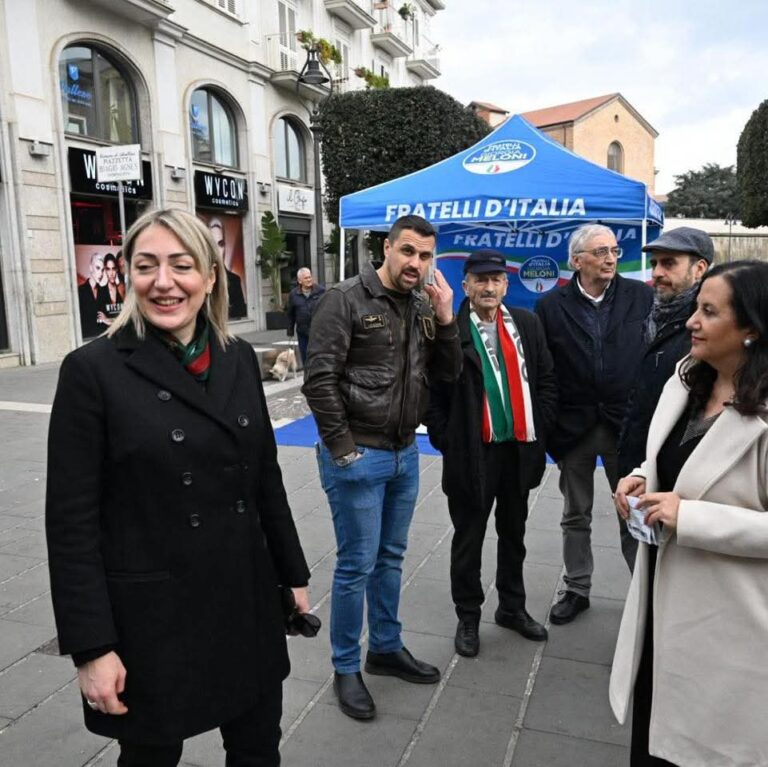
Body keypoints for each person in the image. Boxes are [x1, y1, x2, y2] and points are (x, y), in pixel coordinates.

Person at [46, 208, 311, 766]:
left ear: (211, 277)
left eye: (181, 265)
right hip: (152, 618)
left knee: (258, 748)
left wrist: (293, 575)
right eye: (146, 266)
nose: (163, 282)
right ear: (128, 276)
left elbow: (264, 475)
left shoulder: (237, 357)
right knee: (150, 759)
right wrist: (93, 647)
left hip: (245, 599)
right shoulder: (92, 371)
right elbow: (70, 525)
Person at [302, 214, 461, 720]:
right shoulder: (345, 298)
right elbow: (319, 379)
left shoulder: (420, 305)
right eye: (409, 251)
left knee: (390, 557)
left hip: (403, 455)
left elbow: (449, 374)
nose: (417, 263)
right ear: (387, 249)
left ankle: (385, 648)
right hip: (360, 454)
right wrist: (343, 450)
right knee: (356, 565)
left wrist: (447, 316)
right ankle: (345, 667)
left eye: (426, 255)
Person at [610, 260, 768, 766]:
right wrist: (642, 475)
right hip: (663, 607)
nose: (691, 322)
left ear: (751, 330)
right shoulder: (686, 383)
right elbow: (675, 461)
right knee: (655, 733)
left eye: (708, 311)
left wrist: (692, 518)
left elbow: (696, 503)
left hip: (729, 628)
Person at [425, 249, 557, 657]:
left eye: (496, 279)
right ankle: (468, 615)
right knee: (469, 537)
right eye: (480, 280)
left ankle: (512, 608)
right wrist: (448, 438)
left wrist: (541, 429)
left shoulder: (527, 324)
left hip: (517, 450)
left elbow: (547, 380)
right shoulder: (448, 327)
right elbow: (432, 394)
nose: (489, 287)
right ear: (465, 285)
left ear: (506, 283)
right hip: (471, 453)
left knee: (514, 535)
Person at [535, 224, 652, 625]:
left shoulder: (641, 296)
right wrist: (551, 427)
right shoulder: (551, 306)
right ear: (577, 260)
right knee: (575, 513)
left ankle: (644, 594)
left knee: (633, 510)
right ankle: (577, 588)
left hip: (627, 424)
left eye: (614, 251)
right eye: (599, 251)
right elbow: (544, 371)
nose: (609, 258)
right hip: (575, 427)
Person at [617, 228, 713, 485]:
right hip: (636, 468)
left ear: (699, 268)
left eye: (669, 263)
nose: (657, 272)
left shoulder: (709, 329)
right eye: (655, 263)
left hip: (677, 480)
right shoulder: (649, 313)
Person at [207, 216, 247, 319]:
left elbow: (239, 312)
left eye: (220, 244)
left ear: (225, 247)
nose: (217, 250)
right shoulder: (198, 279)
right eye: (212, 244)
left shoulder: (234, 280)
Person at [286, 267, 325, 366]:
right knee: (306, 358)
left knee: (319, 358)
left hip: (319, 332)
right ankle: (308, 378)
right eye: (306, 278)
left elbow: (328, 310)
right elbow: (290, 314)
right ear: (299, 281)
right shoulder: (293, 294)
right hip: (303, 332)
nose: (309, 280)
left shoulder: (321, 291)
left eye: (310, 277)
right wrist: (290, 330)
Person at [78, 252, 108, 338]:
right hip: (86, 339)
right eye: (97, 268)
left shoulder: (104, 291)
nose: (101, 274)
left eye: (102, 270)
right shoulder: (80, 291)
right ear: (91, 268)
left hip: (102, 339)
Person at [96, 252, 124, 327]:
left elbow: (127, 317)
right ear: (105, 270)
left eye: (113, 269)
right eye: (108, 269)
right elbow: (99, 319)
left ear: (117, 270)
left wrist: (109, 321)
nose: (111, 273)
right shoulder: (101, 291)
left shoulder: (122, 289)